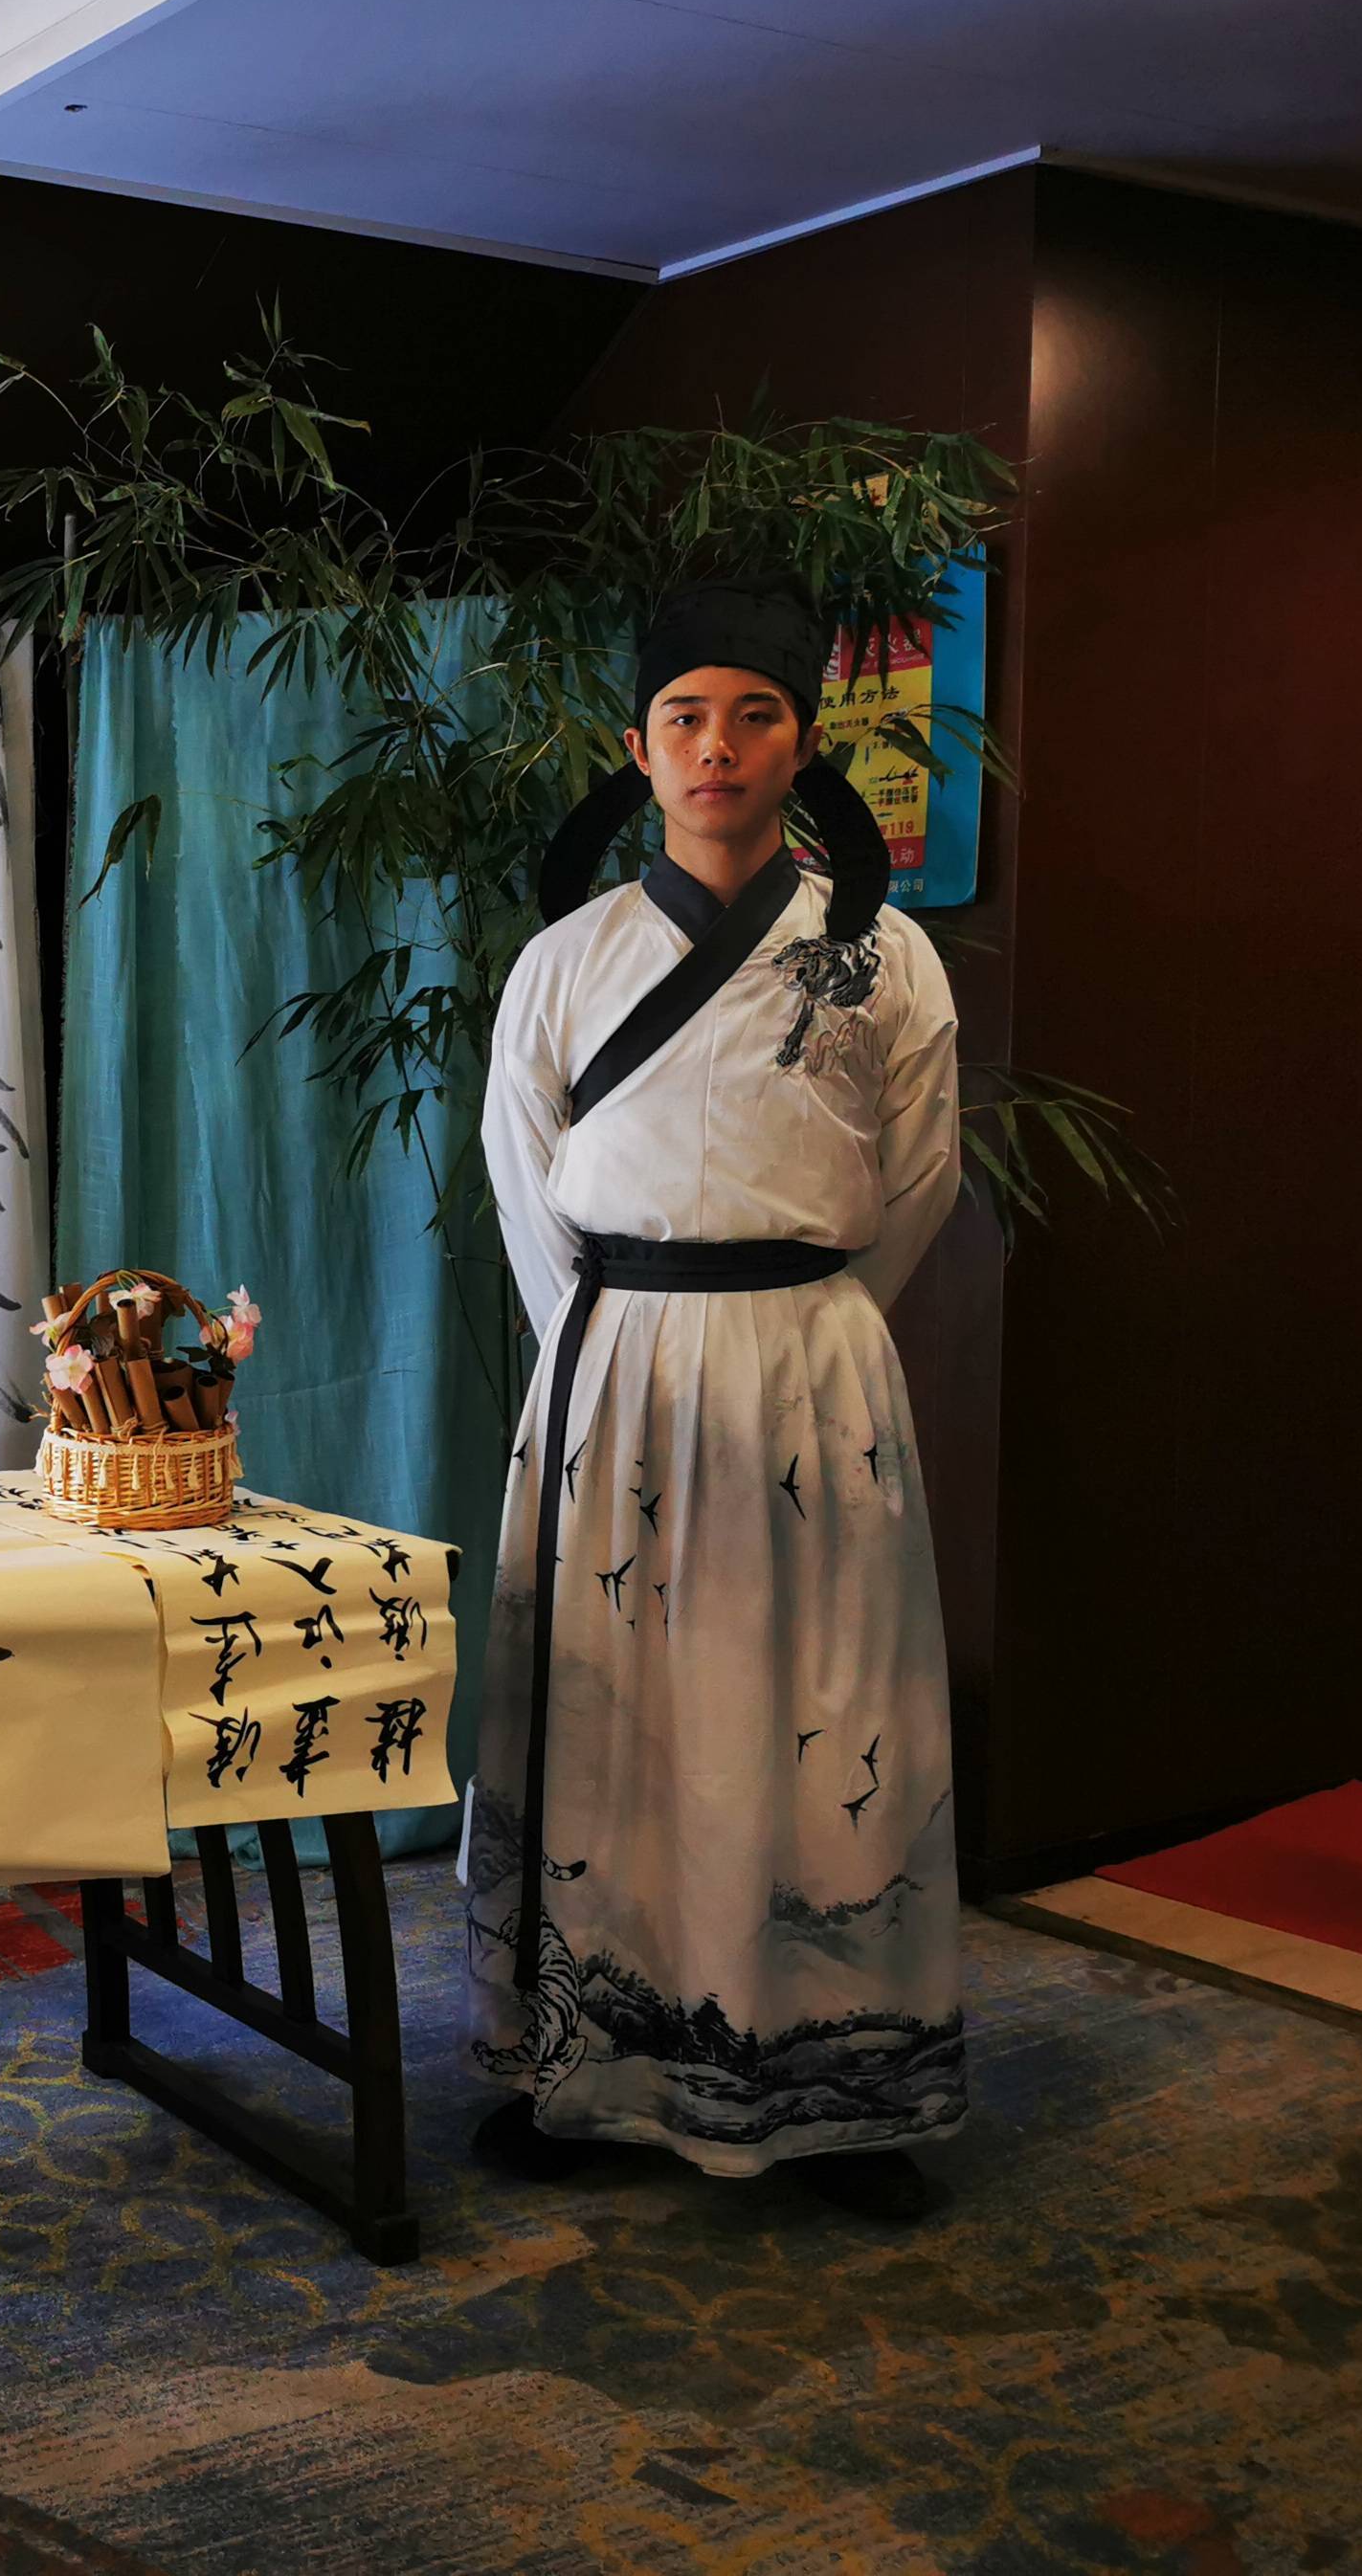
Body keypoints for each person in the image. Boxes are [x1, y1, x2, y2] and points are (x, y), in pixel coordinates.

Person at [466, 573, 965, 2222]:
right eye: (683, 717)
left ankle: (840, 2091)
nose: (717, 746)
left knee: (827, 1719)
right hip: (615, 1364)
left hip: (811, 1362)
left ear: (801, 744)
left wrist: (807, 1330)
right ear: (638, 749)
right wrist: (613, 1349)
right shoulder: (565, 961)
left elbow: (917, 1181)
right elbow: (525, 1183)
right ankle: (584, 2072)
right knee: (612, 1716)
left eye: (754, 716)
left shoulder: (881, 958)